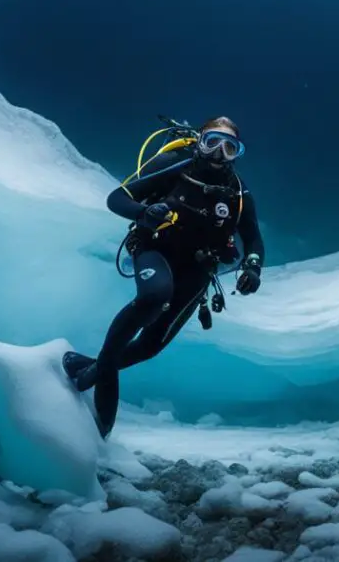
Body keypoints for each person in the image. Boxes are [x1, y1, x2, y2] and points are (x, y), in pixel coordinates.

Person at [63, 116, 265, 437]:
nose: (218, 153)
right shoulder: (175, 166)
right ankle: (98, 382)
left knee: (149, 346)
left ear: (237, 154)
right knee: (154, 296)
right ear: (199, 141)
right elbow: (117, 198)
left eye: (229, 147)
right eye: (212, 142)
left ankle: (90, 370)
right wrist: (144, 213)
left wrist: (252, 266)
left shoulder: (238, 195)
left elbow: (252, 238)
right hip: (155, 249)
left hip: (198, 270)